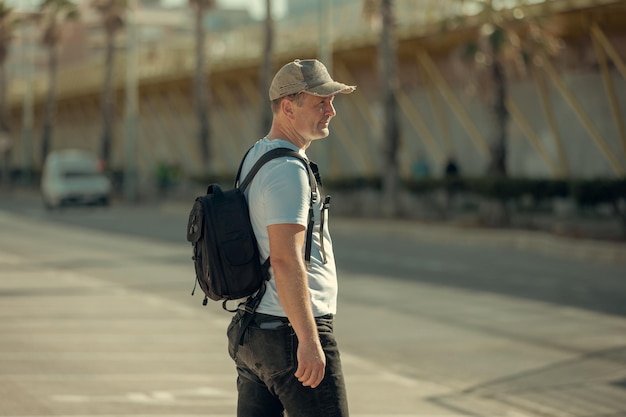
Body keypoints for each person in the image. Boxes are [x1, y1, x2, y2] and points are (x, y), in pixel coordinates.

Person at [226, 59, 356, 417]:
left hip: (255, 331)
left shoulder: (256, 157)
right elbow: (285, 259)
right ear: (288, 107)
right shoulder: (287, 171)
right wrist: (309, 339)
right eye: (320, 102)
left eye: (332, 101)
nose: (330, 110)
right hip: (289, 332)